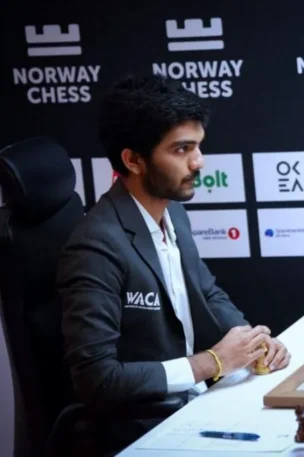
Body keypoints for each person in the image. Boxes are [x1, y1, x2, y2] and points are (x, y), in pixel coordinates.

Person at [56, 75, 291, 453]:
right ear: (133, 160)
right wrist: (212, 362)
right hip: (144, 427)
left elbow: (206, 291)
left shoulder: (173, 213)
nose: (199, 162)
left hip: (195, 404)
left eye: (198, 146)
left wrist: (251, 341)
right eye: (182, 149)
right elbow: (97, 380)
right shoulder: (96, 246)